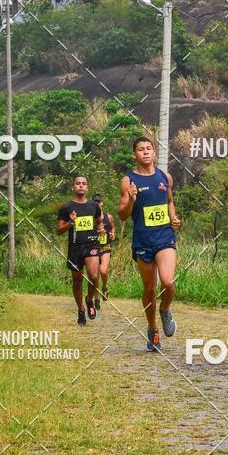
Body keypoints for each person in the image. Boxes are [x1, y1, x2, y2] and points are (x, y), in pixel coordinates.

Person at [118, 136, 182, 352]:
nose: (145, 152)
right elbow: (123, 215)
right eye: (140, 149)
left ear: (154, 153)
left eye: (148, 148)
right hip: (143, 240)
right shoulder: (128, 181)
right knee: (149, 288)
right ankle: (153, 330)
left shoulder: (165, 177)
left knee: (168, 282)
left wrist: (173, 218)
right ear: (134, 155)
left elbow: (170, 201)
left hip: (164, 237)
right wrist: (132, 200)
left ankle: (165, 309)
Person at [56, 175, 104, 325]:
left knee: (94, 275)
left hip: (91, 245)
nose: (81, 186)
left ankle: (89, 299)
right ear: (73, 187)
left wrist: (101, 229)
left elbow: (99, 220)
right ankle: (81, 309)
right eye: (78, 184)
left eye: (84, 183)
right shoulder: (66, 207)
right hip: (75, 248)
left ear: (87, 187)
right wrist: (71, 222)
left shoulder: (94, 206)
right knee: (77, 280)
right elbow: (59, 231)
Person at [91, 194, 116, 310]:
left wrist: (112, 233)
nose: (97, 204)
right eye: (94, 202)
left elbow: (112, 227)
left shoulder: (108, 217)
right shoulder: (90, 218)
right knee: (94, 275)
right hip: (94, 247)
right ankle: (96, 298)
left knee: (103, 270)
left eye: (98, 202)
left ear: (102, 203)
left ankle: (105, 287)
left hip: (105, 246)